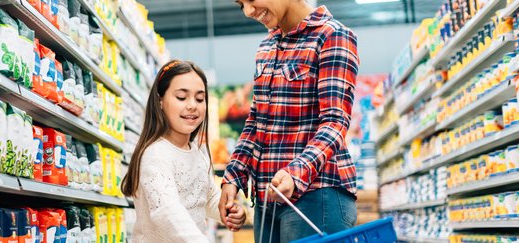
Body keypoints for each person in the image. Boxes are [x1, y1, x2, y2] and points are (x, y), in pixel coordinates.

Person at [219, 0, 360, 242]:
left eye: (251, 0)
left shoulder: (331, 36)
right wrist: (233, 176)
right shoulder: (266, 47)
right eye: (240, 4)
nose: (248, 12)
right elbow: (256, 122)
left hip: (317, 195)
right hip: (267, 199)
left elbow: (335, 122)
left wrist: (296, 173)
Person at [121, 60, 247, 242]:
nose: (192, 105)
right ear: (160, 101)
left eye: (199, 98)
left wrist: (227, 211)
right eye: (181, 97)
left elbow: (206, 197)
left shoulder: (197, 151)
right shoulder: (155, 154)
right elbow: (167, 211)